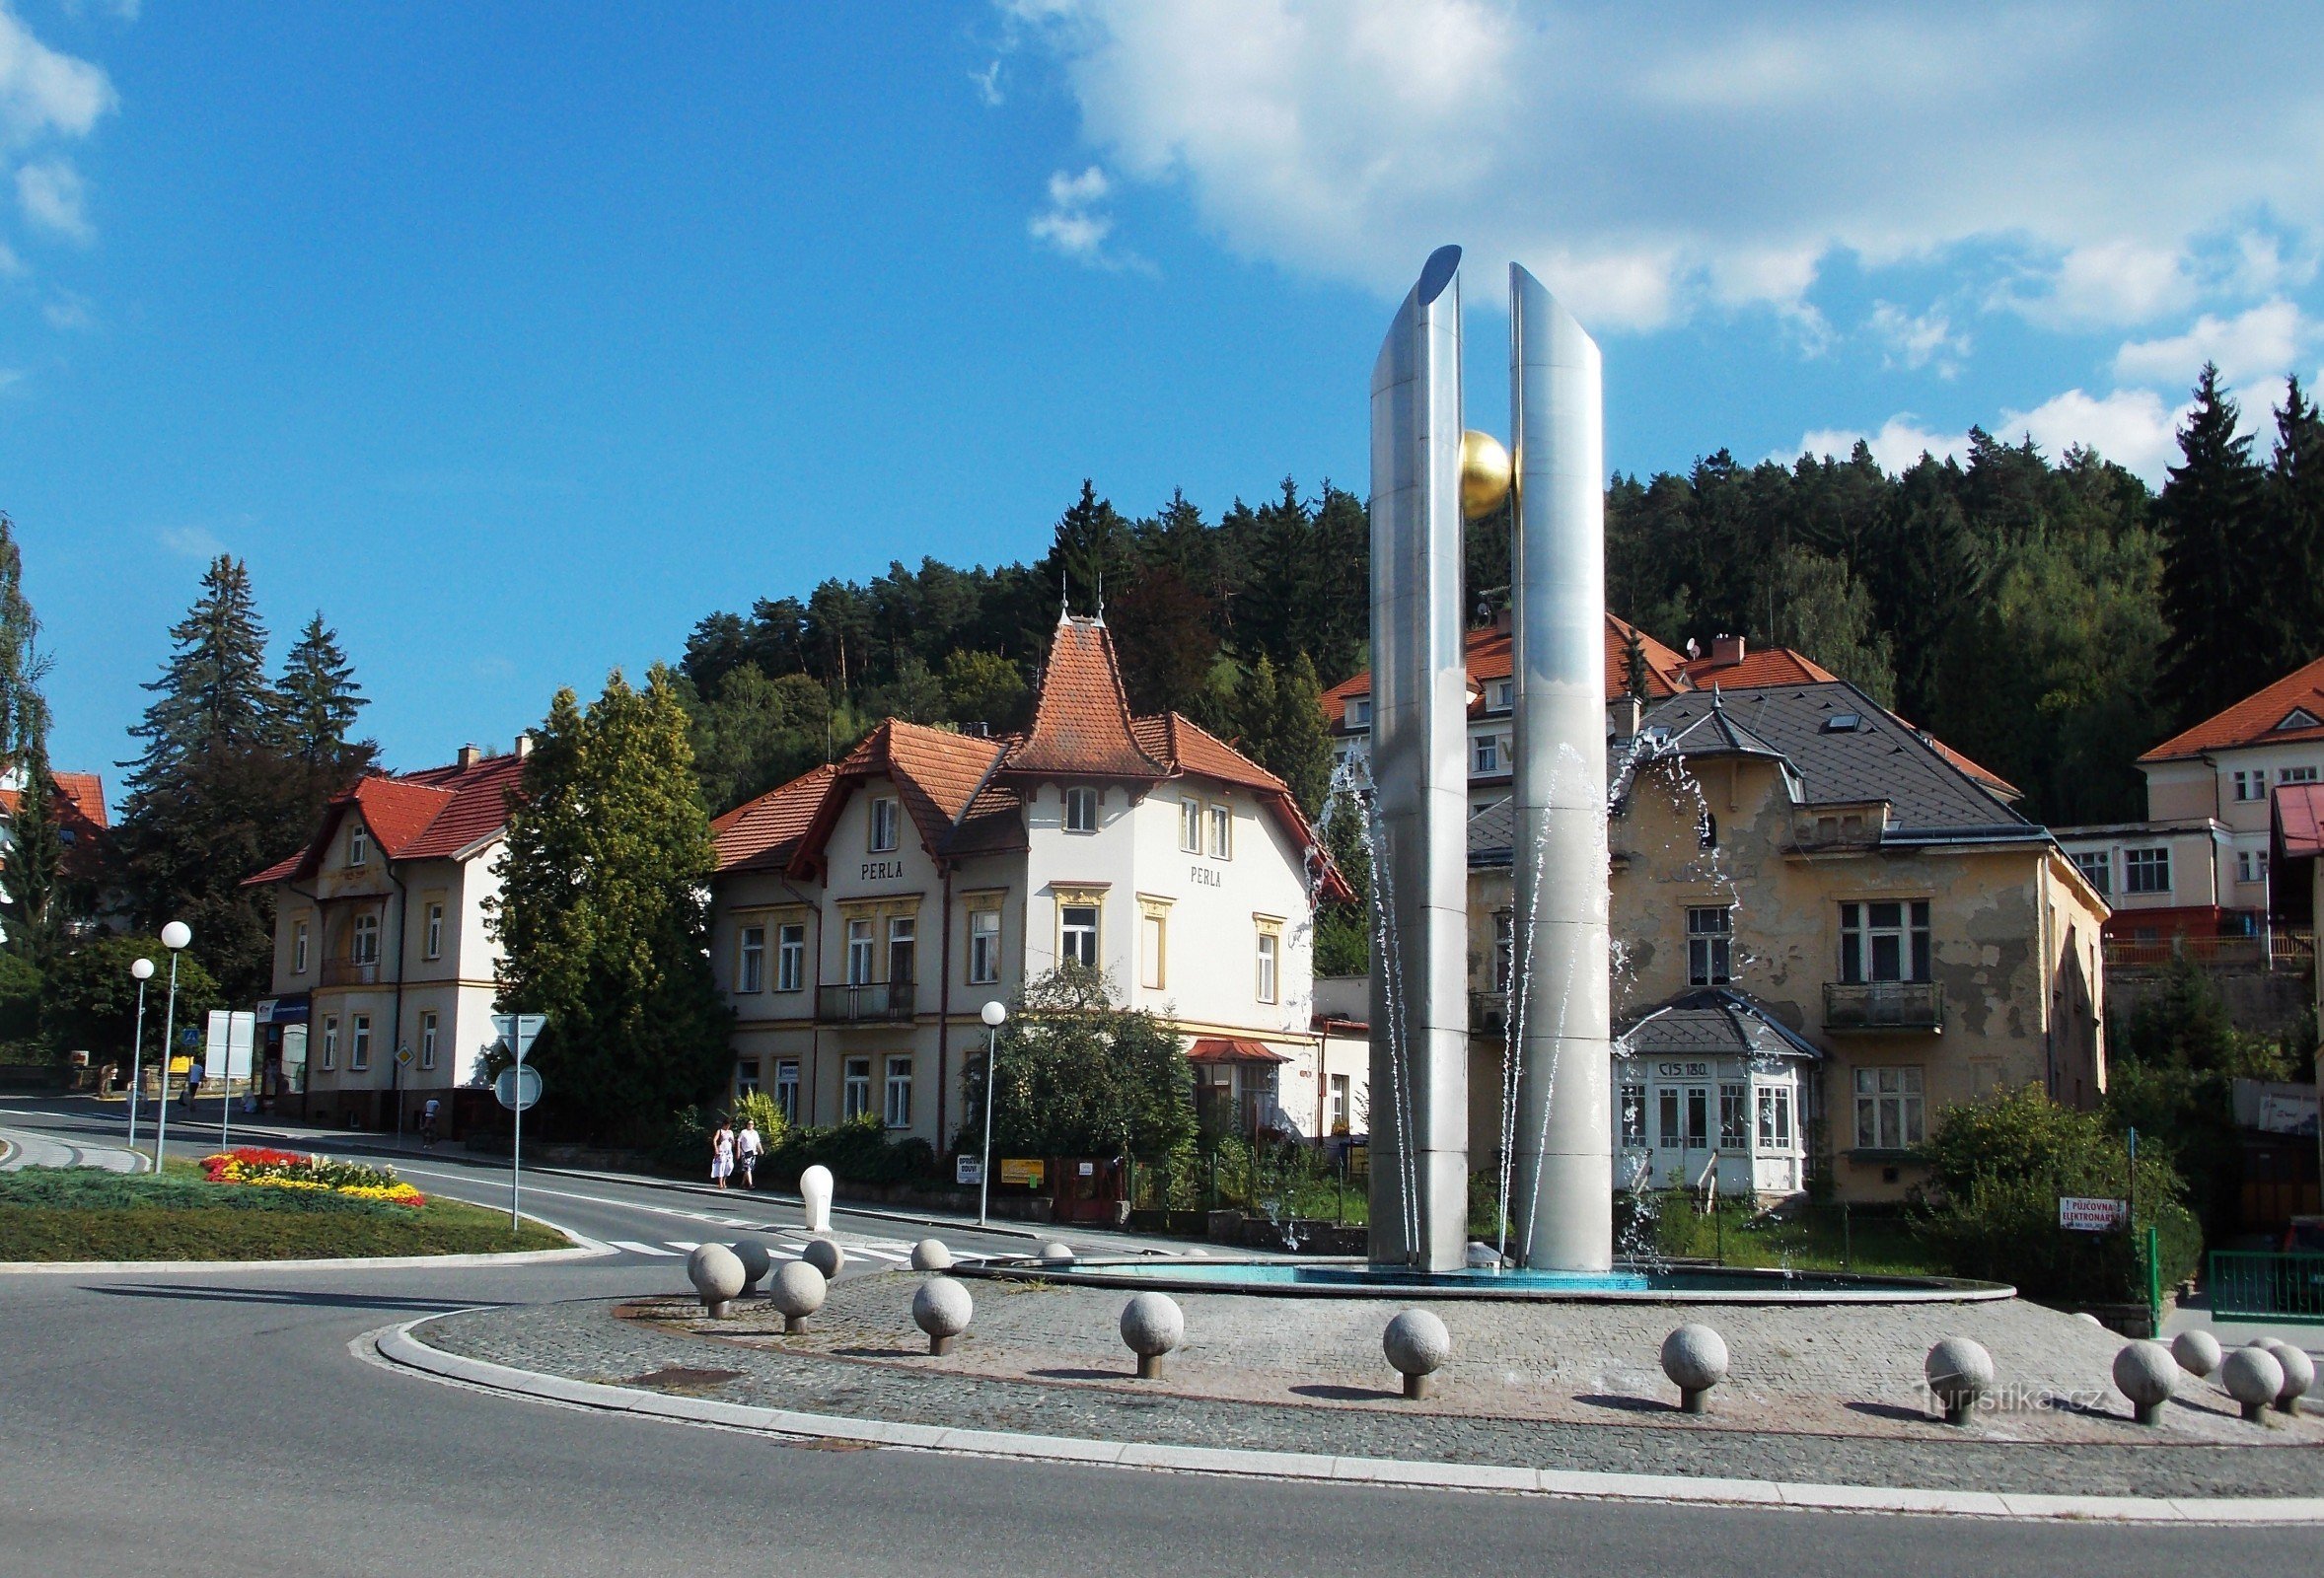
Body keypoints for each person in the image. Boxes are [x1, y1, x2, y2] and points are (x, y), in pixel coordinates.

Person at [735, 1117, 763, 1190]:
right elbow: (738, 1141)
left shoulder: (755, 1133)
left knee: (748, 1168)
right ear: (746, 1125)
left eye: (752, 1124)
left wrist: (760, 1149)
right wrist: (738, 1151)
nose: (750, 1125)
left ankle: (742, 1184)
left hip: (753, 1153)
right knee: (748, 1168)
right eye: (749, 1124)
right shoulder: (743, 1132)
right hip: (745, 1153)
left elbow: (758, 1142)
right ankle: (750, 1184)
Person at [709, 1120, 735, 1189]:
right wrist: (716, 1149)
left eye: (729, 1125)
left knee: (730, 1166)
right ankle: (720, 1183)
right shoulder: (720, 1131)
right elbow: (715, 1140)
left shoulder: (730, 1132)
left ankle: (724, 1180)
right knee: (721, 1166)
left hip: (729, 1152)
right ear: (724, 1124)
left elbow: (733, 1144)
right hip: (721, 1151)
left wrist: (732, 1140)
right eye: (727, 1125)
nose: (728, 1127)